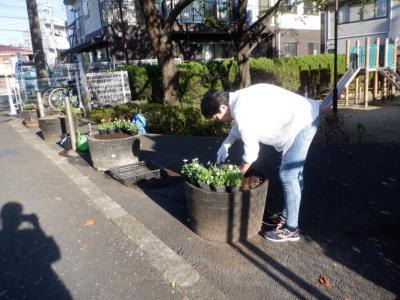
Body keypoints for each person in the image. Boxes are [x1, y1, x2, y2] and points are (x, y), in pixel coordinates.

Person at [200, 83, 320, 242]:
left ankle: (292, 229)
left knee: (288, 175)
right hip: (305, 113)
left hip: (302, 123)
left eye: (216, 117)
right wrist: (226, 144)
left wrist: (236, 176)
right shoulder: (237, 98)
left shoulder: (241, 110)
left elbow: (251, 153)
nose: (218, 120)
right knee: (294, 174)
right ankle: (286, 215)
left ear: (222, 108)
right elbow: (239, 128)